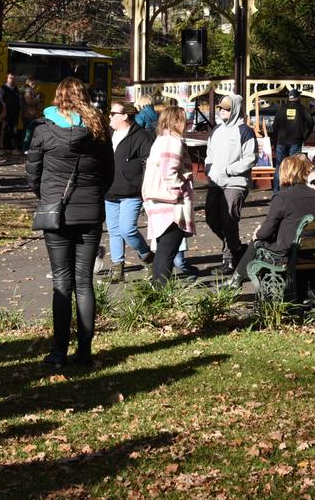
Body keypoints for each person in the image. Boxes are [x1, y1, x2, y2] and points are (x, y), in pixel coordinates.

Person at [26, 78, 111, 367]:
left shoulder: (43, 130)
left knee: (62, 282)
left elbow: (33, 175)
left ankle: (59, 351)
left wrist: (47, 195)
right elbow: (108, 173)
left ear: (58, 97)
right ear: (84, 97)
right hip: (89, 212)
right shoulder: (99, 128)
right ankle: (84, 351)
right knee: (84, 282)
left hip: (56, 212)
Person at [222, 154, 315, 289]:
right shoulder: (314, 194)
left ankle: (236, 279)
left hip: (289, 251)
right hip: (313, 250)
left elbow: (266, 232)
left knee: (257, 241)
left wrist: (257, 233)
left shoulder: (282, 196)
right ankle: (236, 279)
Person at [143, 105, 195, 284]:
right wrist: (181, 185)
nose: (186, 123)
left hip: (157, 202)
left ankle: (156, 290)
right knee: (168, 250)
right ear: (175, 121)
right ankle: (160, 293)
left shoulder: (160, 139)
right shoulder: (173, 142)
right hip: (170, 205)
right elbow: (169, 172)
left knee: (163, 251)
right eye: (183, 119)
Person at [205, 95, 257, 273]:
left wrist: (229, 170)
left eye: (226, 108)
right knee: (211, 218)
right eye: (220, 108)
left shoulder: (245, 131)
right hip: (215, 182)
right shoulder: (216, 130)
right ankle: (237, 248)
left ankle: (229, 260)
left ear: (235, 109)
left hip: (235, 183)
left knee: (229, 221)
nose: (222, 111)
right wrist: (209, 169)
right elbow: (209, 154)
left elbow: (250, 158)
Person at [104, 101, 154, 283]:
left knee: (127, 229)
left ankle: (148, 258)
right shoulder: (109, 134)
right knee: (114, 231)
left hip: (131, 192)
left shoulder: (141, 136)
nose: (109, 116)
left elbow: (149, 163)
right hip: (109, 191)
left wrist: (143, 187)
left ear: (125, 116)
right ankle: (118, 269)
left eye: (113, 113)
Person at [271, 89, 314, 190]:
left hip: (281, 142)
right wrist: (304, 136)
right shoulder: (303, 109)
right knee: (294, 166)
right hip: (296, 141)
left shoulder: (281, 108)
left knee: (280, 167)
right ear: (298, 98)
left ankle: (276, 191)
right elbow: (311, 124)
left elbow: (275, 126)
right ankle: (291, 189)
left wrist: (276, 140)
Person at [0, 72, 22, 154]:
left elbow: (19, 101)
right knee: (5, 130)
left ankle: (12, 148)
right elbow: (0, 100)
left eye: (13, 78)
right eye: (10, 78)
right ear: (7, 79)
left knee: (14, 130)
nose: (12, 80)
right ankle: (3, 148)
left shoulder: (16, 89)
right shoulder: (2, 89)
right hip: (6, 113)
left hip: (15, 113)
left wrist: (20, 110)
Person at [20, 78, 43, 152]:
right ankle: (25, 148)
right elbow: (29, 102)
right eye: (33, 84)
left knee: (30, 132)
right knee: (28, 132)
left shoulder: (30, 91)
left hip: (31, 114)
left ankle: (27, 147)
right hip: (28, 114)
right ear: (29, 83)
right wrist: (37, 99)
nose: (34, 85)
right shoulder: (27, 91)